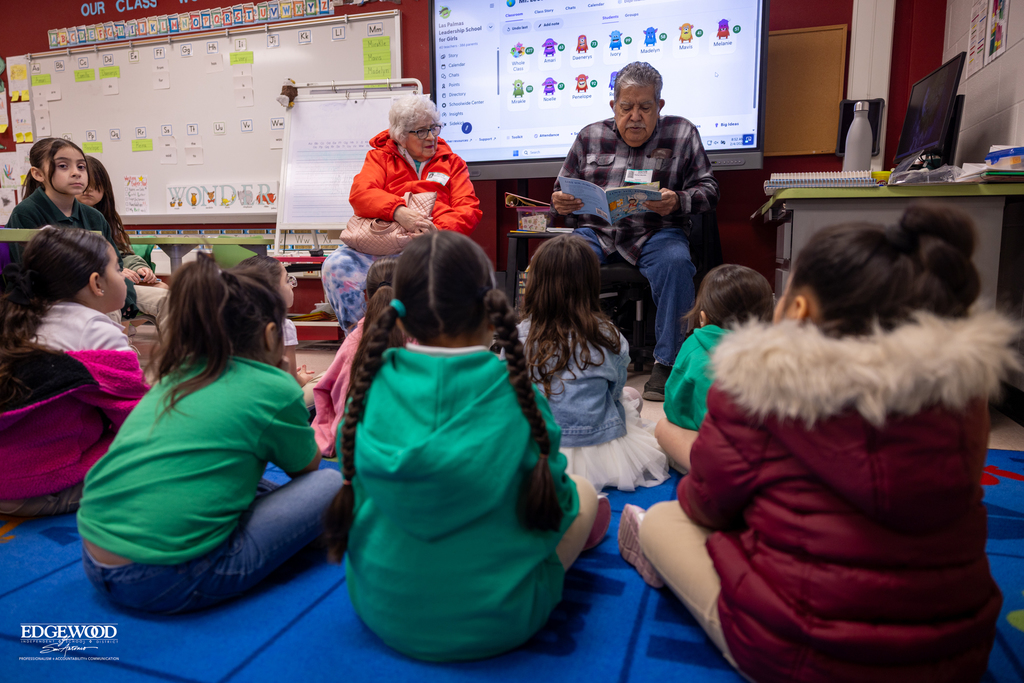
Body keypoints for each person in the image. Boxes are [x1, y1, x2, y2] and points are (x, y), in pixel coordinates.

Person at [618, 203, 1013, 682]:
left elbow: (706, 505)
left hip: (803, 656)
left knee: (664, 519)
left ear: (799, 310)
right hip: (957, 652)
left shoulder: (756, 385)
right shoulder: (964, 401)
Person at [323, 231, 606, 661]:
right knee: (583, 492)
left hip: (379, 606)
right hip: (503, 619)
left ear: (399, 318)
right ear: (491, 314)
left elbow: (355, 480)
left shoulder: (369, 391)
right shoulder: (522, 400)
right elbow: (557, 507)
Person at [77, 255, 341, 614]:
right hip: (167, 579)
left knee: (230, 472)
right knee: (329, 486)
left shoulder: (180, 372)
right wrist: (283, 384)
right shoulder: (272, 386)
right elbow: (307, 469)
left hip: (93, 557)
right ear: (270, 334)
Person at [551, 61, 719, 401]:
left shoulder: (682, 132)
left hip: (656, 233)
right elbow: (560, 188)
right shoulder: (589, 135)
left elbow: (709, 190)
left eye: (645, 107)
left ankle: (666, 363)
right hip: (597, 232)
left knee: (675, 263)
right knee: (559, 261)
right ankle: (562, 352)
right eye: (626, 107)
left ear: (659, 106)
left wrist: (678, 200)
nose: (635, 116)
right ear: (613, 106)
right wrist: (561, 201)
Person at [0, 228, 146, 517]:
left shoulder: (18, 317)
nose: (121, 276)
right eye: (118, 269)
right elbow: (136, 420)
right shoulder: (96, 331)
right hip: (40, 488)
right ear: (97, 284)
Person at [519, 234, 667, 492]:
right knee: (633, 395)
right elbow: (615, 390)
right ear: (590, 283)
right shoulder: (608, 335)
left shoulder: (518, 334)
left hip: (536, 447)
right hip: (599, 449)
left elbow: (508, 393)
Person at [321, 95, 482, 333]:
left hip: (429, 246)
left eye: (434, 128)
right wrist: (398, 211)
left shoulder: (453, 163)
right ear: (401, 136)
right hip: (383, 244)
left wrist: (437, 230)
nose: (431, 137)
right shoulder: (379, 157)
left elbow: (467, 208)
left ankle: (420, 347)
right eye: (421, 131)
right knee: (335, 267)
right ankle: (359, 340)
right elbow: (361, 194)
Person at [656, 264, 774, 472]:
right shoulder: (779, 352)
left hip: (724, 465)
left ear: (703, 317)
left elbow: (674, 406)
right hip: (771, 457)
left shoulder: (694, 347)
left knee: (662, 427)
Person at [5, 138, 138, 319]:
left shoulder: (94, 216)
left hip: (101, 288)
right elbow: (34, 273)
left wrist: (126, 295)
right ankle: (113, 347)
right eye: (63, 166)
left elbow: (117, 266)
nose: (76, 173)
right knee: (109, 311)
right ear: (38, 174)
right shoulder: (25, 213)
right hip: (53, 299)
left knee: (166, 299)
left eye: (81, 167)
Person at [312, 256, 403, 457]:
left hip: (352, 437)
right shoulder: (423, 336)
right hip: (406, 438)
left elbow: (328, 391)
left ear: (365, 294)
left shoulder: (355, 336)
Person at [79, 155, 170, 325]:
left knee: (164, 292)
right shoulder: (69, 217)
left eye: (95, 186)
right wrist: (116, 272)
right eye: (85, 186)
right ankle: (123, 345)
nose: (89, 191)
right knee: (118, 295)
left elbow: (122, 252)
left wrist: (139, 267)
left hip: (111, 281)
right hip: (92, 285)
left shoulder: (105, 219)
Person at [235, 255, 317, 399]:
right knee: (324, 382)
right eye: (287, 280)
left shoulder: (233, 319)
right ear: (271, 290)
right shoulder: (284, 325)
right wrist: (303, 378)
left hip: (237, 393)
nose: (291, 285)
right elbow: (291, 381)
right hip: (267, 398)